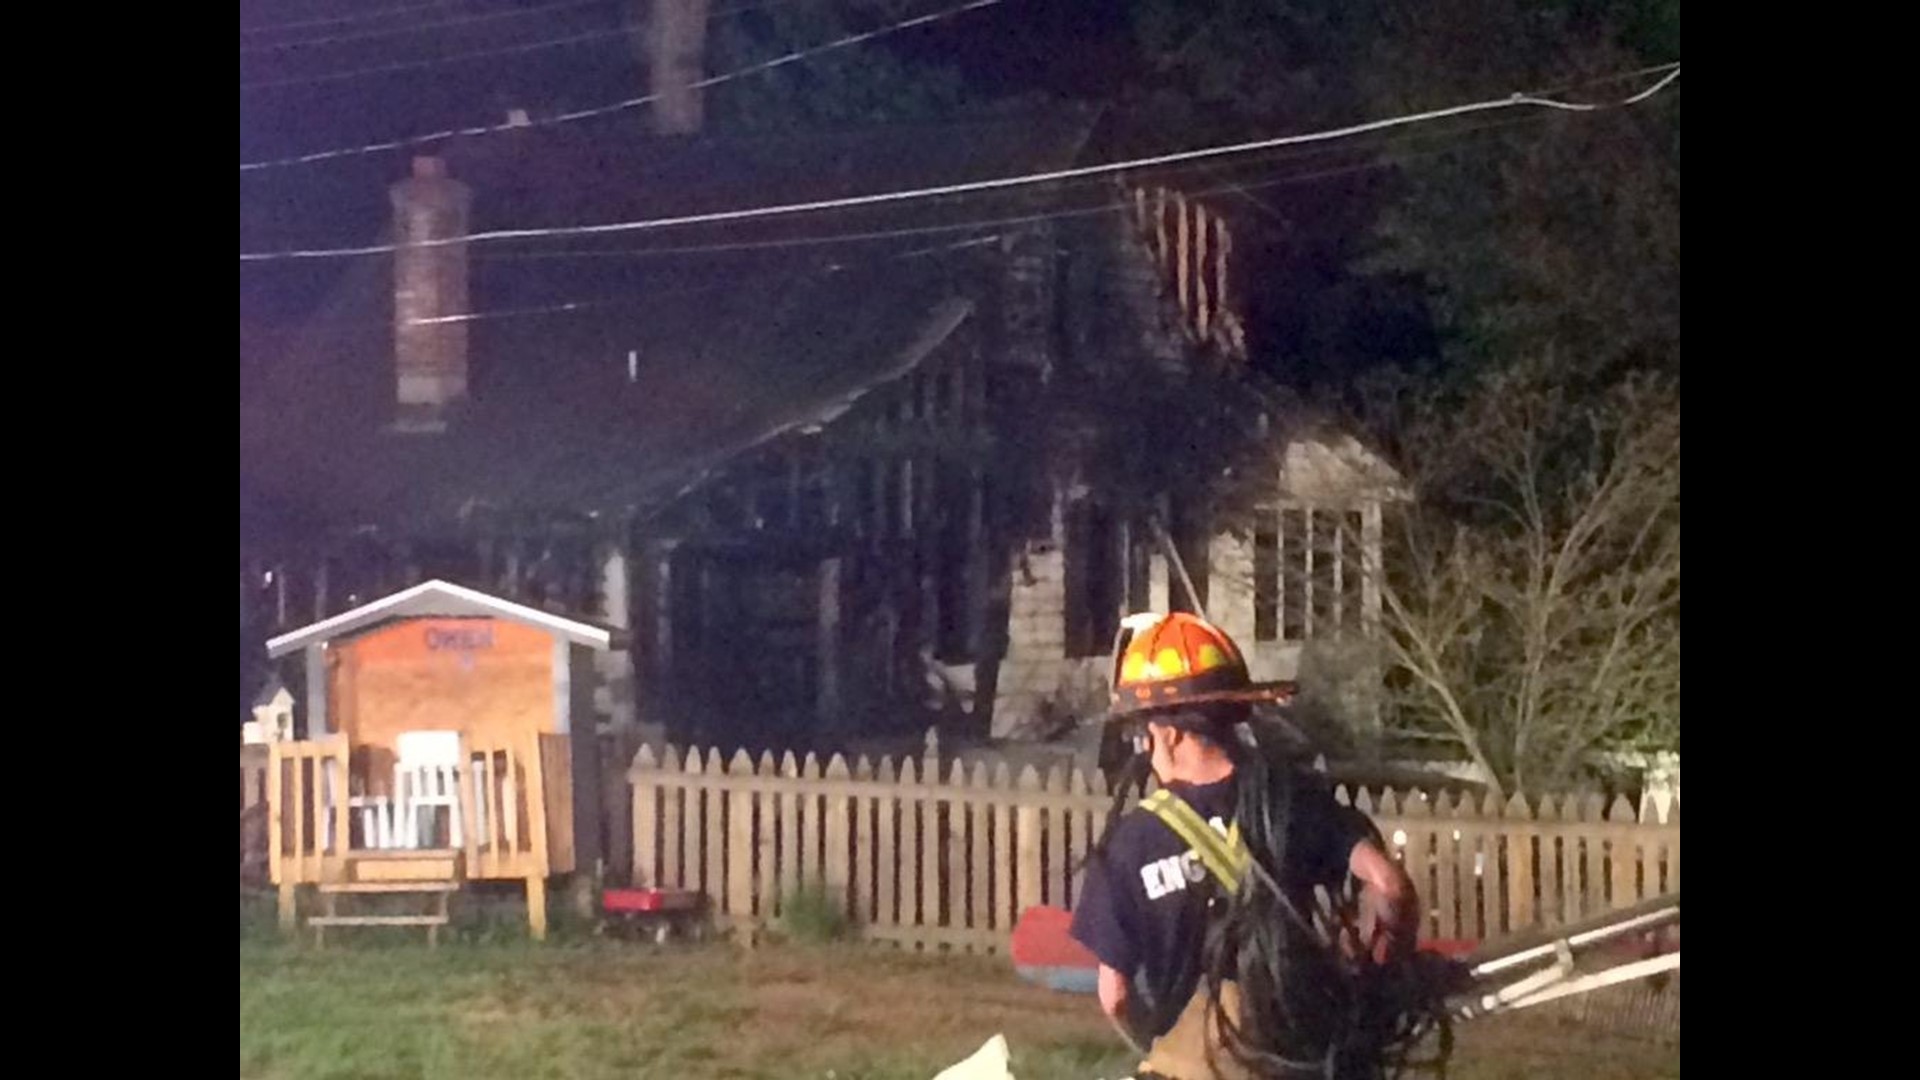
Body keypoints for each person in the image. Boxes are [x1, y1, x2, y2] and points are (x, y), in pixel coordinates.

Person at [1070, 612, 1421, 1080]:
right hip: (1296, 1062)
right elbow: (1389, 886)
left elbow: (1113, 995)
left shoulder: (1131, 843)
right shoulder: (1290, 800)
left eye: (1144, 735)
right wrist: (1373, 987)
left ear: (1168, 733)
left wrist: (1158, 1046)